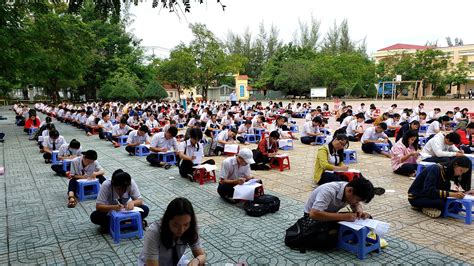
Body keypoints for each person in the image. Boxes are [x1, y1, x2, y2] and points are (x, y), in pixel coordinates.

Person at [291, 178, 375, 250]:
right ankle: (333, 232)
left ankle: (334, 231)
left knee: (368, 218)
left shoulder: (351, 189)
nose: (357, 202)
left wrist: (359, 211)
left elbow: (355, 204)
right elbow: (314, 214)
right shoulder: (329, 191)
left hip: (331, 215)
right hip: (313, 218)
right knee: (328, 242)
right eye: (357, 200)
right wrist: (343, 217)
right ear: (350, 191)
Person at [138, 197, 205, 266]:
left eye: (186, 225)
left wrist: (197, 260)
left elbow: (201, 255)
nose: (181, 230)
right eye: (176, 225)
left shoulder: (191, 227)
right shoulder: (154, 232)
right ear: (167, 221)